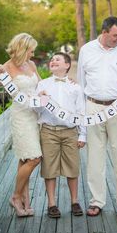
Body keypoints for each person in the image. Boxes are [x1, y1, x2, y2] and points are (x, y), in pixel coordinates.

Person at [77, 16, 117, 216]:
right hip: (93, 107)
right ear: (104, 32)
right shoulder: (86, 50)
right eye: (115, 35)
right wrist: (81, 114)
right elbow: (80, 82)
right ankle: (96, 201)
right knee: (95, 157)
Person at [0, 33, 42, 217]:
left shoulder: (31, 64)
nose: (33, 54)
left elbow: (40, 86)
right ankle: (16, 197)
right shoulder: (6, 68)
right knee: (34, 158)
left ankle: (25, 200)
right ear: (22, 49)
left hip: (36, 115)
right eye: (31, 50)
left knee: (25, 158)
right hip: (21, 117)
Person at [36, 52, 86, 218]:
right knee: (49, 168)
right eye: (51, 60)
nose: (53, 61)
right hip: (49, 131)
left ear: (67, 65)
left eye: (57, 59)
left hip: (70, 132)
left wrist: (82, 135)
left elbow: (81, 111)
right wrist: (39, 99)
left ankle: (74, 201)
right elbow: (36, 110)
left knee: (72, 167)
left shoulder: (75, 87)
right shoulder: (42, 84)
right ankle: (51, 203)